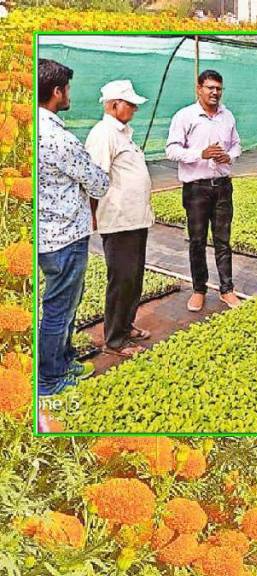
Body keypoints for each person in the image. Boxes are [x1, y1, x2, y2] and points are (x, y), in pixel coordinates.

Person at [37, 59, 109, 396]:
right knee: (58, 308)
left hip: (47, 236)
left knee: (63, 303)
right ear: (56, 92)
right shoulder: (58, 138)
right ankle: (50, 379)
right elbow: (98, 183)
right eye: (66, 89)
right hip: (65, 237)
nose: (69, 95)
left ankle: (64, 360)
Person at [85, 80, 154, 358]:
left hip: (136, 218)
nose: (135, 108)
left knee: (134, 278)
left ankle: (126, 325)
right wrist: (93, 215)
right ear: (114, 105)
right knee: (122, 279)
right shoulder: (104, 134)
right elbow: (95, 178)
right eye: (130, 103)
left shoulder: (124, 133)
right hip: (119, 219)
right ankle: (115, 339)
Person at [165, 69, 243, 312]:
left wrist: (227, 156)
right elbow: (171, 150)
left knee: (223, 240)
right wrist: (201, 154)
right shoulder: (185, 116)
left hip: (222, 187)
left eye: (218, 88)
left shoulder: (227, 116)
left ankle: (227, 289)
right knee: (197, 241)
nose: (215, 92)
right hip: (196, 189)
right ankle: (199, 289)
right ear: (199, 88)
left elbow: (237, 145)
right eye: (210, 88)